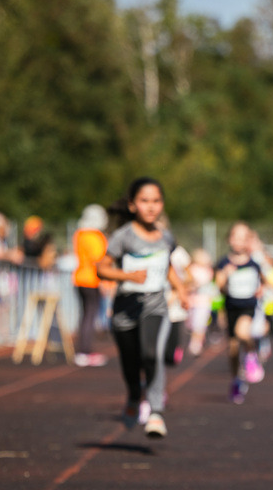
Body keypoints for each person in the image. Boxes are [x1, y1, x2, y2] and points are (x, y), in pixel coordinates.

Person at [97, 177, 188, 439]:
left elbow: (167, 266)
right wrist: (126, 277)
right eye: (144, 201)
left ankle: (156, 412)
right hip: (125, 310)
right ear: (133, 205)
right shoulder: (123, 237)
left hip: (155, 306)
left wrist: (181, 290)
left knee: (151, 355)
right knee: (130, 362)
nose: (151, 207)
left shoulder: (166, 237)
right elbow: (101, 268)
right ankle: (134, 396)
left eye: (156, 201)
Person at [215, 221, 265, 404]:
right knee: (233, 348)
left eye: (243, 238)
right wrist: (225, 276)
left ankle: (252, 356)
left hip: (248, 306)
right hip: (231, 306)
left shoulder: (254, 262)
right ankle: (236, 380)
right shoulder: (224, 262)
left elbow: (264, 280)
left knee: (242, 332)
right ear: (229, 239)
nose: (238, 241)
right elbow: (219, 286)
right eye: (235, 237)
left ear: (248, 241)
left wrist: (262, 289)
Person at [72, 204, 109, 367]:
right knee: (90, 316)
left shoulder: (79, 234)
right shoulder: (94, 236)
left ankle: (83, 351)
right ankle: (84, 352)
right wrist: (104, 282)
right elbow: (98, 261)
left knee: (85, 315)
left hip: (79, 278)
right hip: (92, 280)